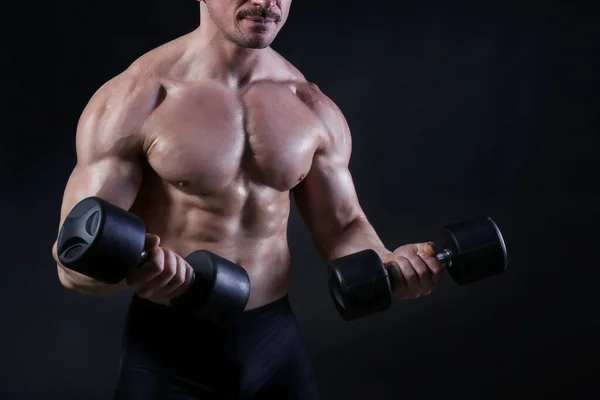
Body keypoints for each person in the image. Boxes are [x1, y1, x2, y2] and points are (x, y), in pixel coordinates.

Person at [52, 0, 444, 398]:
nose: (265, 2)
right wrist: (131, 273)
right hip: (170, 345)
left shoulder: (309, 104)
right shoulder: (137, 99)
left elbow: (342, 228)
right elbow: (74, 266)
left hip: (273, 339)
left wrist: (386, 262)